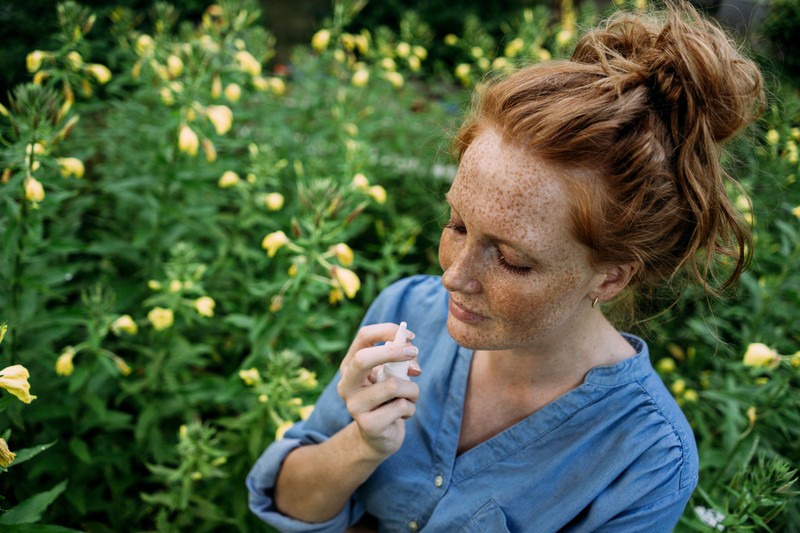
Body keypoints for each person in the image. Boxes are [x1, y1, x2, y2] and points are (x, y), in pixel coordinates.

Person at [247, 2, 764, 531]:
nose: (453, 276)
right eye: (457, 225)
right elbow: (290, 503)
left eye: (513, 260)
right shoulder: (408, 312)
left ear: (610, 276)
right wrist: (361, 444)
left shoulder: (645, 458)